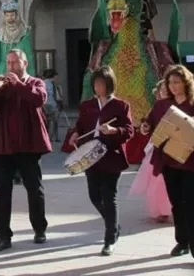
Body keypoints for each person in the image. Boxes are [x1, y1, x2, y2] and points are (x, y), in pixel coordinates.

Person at [140, 64, 194, 268]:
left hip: (192, 162)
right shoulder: (161, 105)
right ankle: (182, 242)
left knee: (192, 205)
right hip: (169, 161)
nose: (173, 86)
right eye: (170, 82)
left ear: (186, 83)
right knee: (177, 204)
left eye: (177, 82)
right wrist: (145, 127)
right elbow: (149, 125)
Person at [0, 49, 51, 252]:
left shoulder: (36, 82)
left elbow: (38, 99)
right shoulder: (3, 85)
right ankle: (3, 235)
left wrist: (18, 84)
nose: (11, 66)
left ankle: (39, 228)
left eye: (15, 62)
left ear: (25, 63)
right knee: (2, 191)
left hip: (29, 145)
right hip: (4, 145)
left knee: (34, 188)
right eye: (9, 63)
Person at [68, 66, 133, 256]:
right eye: (95, 84)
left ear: (109, 84)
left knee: (109, 196)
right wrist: (75, 134)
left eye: (101, 83)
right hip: (91, 156)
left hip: (111, 155)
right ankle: (114, 224)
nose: (98, 87)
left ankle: (109, 239)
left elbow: (129, 131)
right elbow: (80, 126)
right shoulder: (87, 106)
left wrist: (114, 131)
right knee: (94, 196)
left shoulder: (121, 106)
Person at [129, 82, 172, 223]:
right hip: (157, 148)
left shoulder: (179, 104)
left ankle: (173, 208)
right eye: (162, 89)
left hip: (174, 147)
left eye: (167, 88)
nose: (165, 91)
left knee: (170, 181)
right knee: (156, 180)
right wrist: (145, 127)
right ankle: (160, 210)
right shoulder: (157, 107)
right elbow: (147, 125)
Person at [43, 69, 62, 142]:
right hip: (51, 105)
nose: (57, 78)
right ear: (54, 76)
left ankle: (50, 137)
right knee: (54, 121)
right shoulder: (51, 83)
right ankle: (52, 137)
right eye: (56, 76)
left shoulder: (45, 82)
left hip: (47, 104)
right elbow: (53, 95)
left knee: (48, 122)